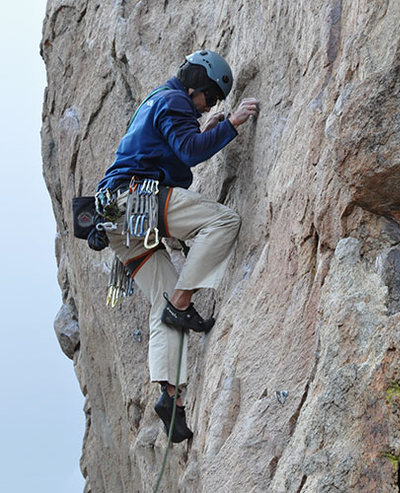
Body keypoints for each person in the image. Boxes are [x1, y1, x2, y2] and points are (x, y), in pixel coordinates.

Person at [96, 50, 259, 442]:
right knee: (224, 221)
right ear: (198, 86)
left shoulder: (157, 100)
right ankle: (183, 302)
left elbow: (176, 144)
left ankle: (170, 399)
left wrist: (210, 128)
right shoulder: (175, 100)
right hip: (139, 200)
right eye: (212, 100)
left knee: (162, 301)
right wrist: (233, 123)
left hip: (118, 220)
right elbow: (189, 151)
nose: (209, 108)